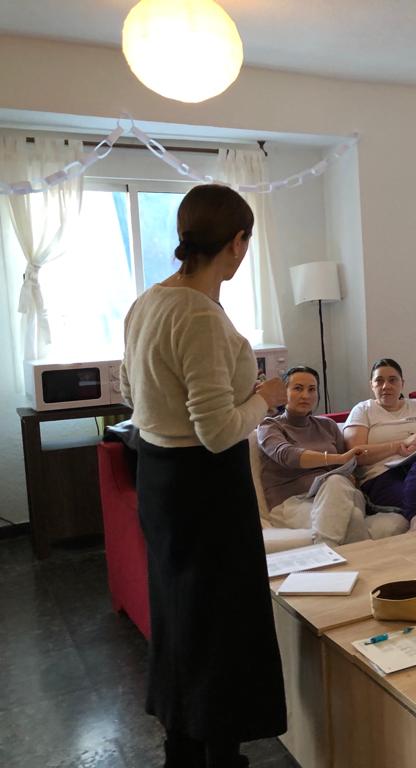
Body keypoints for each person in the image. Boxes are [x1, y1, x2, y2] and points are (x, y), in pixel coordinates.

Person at [121, 184, 287, 768]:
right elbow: (218, 430)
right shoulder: (198, 315)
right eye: (247, 241)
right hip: (205, 484)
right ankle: (221, 752)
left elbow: (129, 392)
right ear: (237, 243)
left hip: (160, 475)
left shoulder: (149, 302)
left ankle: (183, 746)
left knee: (180, 614)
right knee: (223, 625)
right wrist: (264, 399)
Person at [257, 366, 370, 545]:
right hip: (290, 503)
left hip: (335, 494)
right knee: (353, 517)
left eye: (312, 389)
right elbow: (287, 455)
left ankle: (325, 558)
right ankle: (332, 555)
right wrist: (336, 459)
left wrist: (348, 473)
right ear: (284, 392)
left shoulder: (328, 426)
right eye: (298, 388)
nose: (306, 395)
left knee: (337, 482)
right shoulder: (270, 426)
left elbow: (350, 469)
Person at [342, 358, 416, 531]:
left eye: (392, 380)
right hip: (382, 476)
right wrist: (399, 445)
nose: (386, 386)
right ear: (371, 385)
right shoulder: (362, 410)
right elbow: (356, 454)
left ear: (402, 384)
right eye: (379, 381)